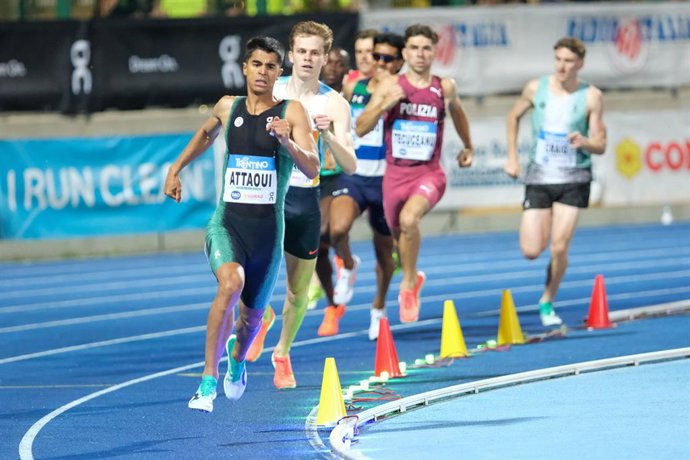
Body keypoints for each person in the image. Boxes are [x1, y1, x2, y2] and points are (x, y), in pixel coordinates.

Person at [163, 36, 319, 412]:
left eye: (270, 66)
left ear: (279, 72)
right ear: (245, 67)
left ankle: (236, 360)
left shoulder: (292, 112)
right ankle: (207, 381)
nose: (263, 72)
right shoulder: (226, 106)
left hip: (267, 233)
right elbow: (205, 133)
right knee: (230, 283)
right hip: (227, 224)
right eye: (257, 64)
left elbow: (312, 169)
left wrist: (288, 142)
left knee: (249, 323)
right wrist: (176, 168)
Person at [245, 21, 356, 389]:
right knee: (246, 274)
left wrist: (325, 134)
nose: (308, 59)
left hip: (303, 198)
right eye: (302, 52)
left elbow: (350, 164)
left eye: (315, 53)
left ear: (325, 57)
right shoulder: (269, 88)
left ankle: (282, 353)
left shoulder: (333, 103)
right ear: (290, 55)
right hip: (264, 193)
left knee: (298, 290)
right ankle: (261, 316)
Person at [357, 24, 474, 324]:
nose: (420, 54)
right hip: (394, 177)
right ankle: (411, 276)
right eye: (414, 48)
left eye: (426, 48)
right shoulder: (390, 85)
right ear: (405, 52)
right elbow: (360, 127)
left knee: (410, 220)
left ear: (434, 52)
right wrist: (386, 103)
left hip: (429, 174)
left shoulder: (444, 86)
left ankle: (409, 284)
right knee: (399, 236)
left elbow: (458, 113)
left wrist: (468, 146)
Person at [504, 37, 607, 327]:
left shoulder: (591, 96)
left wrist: (586, 141)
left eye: (569, 61)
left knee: (559, 247)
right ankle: (547, 275)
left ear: (580, 64)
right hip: (539, 176)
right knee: (531, 250)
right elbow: (513, 117)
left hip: (574, 178)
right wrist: (512, 157)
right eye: (558, 59)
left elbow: (601, 143)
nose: (562, 66)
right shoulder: (536, 88)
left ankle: (547, 299)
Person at [327, 32, 406, 341]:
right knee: (336, 230)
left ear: (397, 62)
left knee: (385, 253)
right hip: (355, 175)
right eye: (376, 57)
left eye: (387, 58)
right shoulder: (353, 87)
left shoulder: (401, 90)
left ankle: (379, 308)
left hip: (386, 179)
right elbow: (341, 122)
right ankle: (347, 263)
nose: (380, 63)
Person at [304, 46, 352, 313]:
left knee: (332, 231)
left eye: (339, 63)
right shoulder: (311, 96)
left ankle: (348, 263)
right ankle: (332, 302)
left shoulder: (352, 97)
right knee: (317, 245)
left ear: (347, 69)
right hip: (315, 176)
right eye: (328, 62)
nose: (333, 67)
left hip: (344, 174)